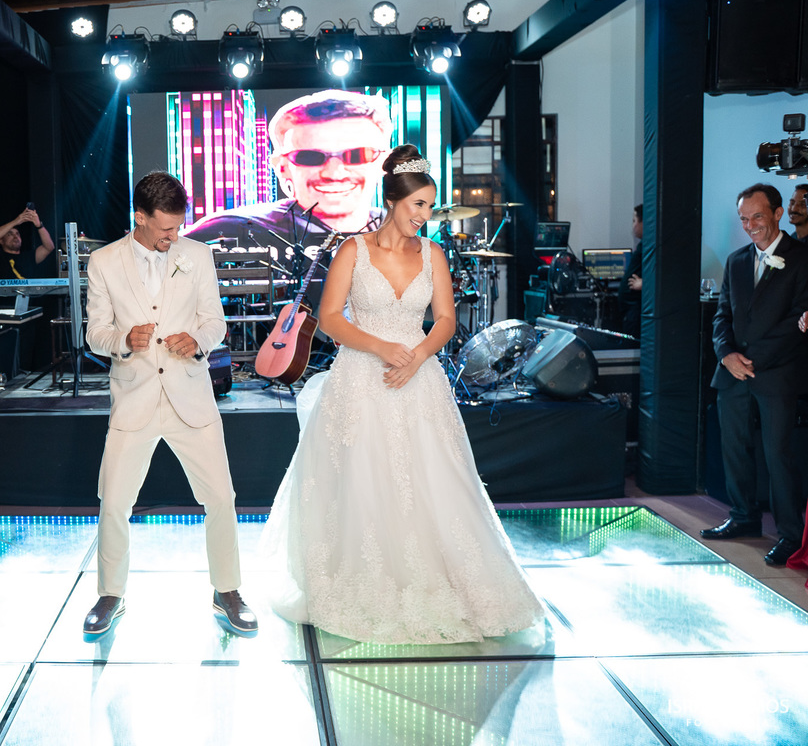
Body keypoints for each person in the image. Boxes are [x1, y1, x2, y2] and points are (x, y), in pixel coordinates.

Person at [261, 145, 545, 644]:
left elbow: (447, 320)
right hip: (361, 380)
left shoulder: (433, 254)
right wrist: (382, 347)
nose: (425, 215)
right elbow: (329, 319)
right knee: (361, 481)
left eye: (429, 206)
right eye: (419, 205)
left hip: (419, 378)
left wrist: (416, 356)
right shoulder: (353, 251)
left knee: (433, 481)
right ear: (393, 200)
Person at [82, 171, 255, 639]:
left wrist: (197, 340)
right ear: (139, 217)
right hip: (133, 399)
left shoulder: (197, 255)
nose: (174, 236)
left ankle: (228, 590)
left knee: (221, 498)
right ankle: (110, 595)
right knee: (113, 502)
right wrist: (123, 339)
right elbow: (95, 333)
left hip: (191, 398)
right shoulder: (103, 261)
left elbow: (215, 321)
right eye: (165, 229)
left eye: (178, 227)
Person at [702, 183, 808, 567]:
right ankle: (743, 516)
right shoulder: (736, 261)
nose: (749, 226)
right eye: (743, 219)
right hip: (733, 373)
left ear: (778, 214)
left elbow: (797, 322)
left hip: (777, 374)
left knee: (778, 455)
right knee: (734, 448)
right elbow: (722, 317)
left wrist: (750, 360)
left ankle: (790, 535)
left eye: (757, 217)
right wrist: (726, 355)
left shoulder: (803, 258)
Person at [183, 90, 393, 267]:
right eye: (310, 157)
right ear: (281, 167)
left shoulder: (399, 228)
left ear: (384, 162)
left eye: (357, 155)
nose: (334, 173)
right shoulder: (232, 227)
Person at [0, 206, 55, 280]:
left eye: (17, 234)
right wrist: (16, 221)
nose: (15, 237)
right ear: (1, 241)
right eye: (10, 234)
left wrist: (39, 225)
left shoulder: (29, 257)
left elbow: (49, 247)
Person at [617, 204, 644, 337]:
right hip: (630, 311)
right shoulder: (643, 245)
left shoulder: (651, 246)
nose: (633, 226)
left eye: (634, 221)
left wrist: (645, 284)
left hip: (636, 311)